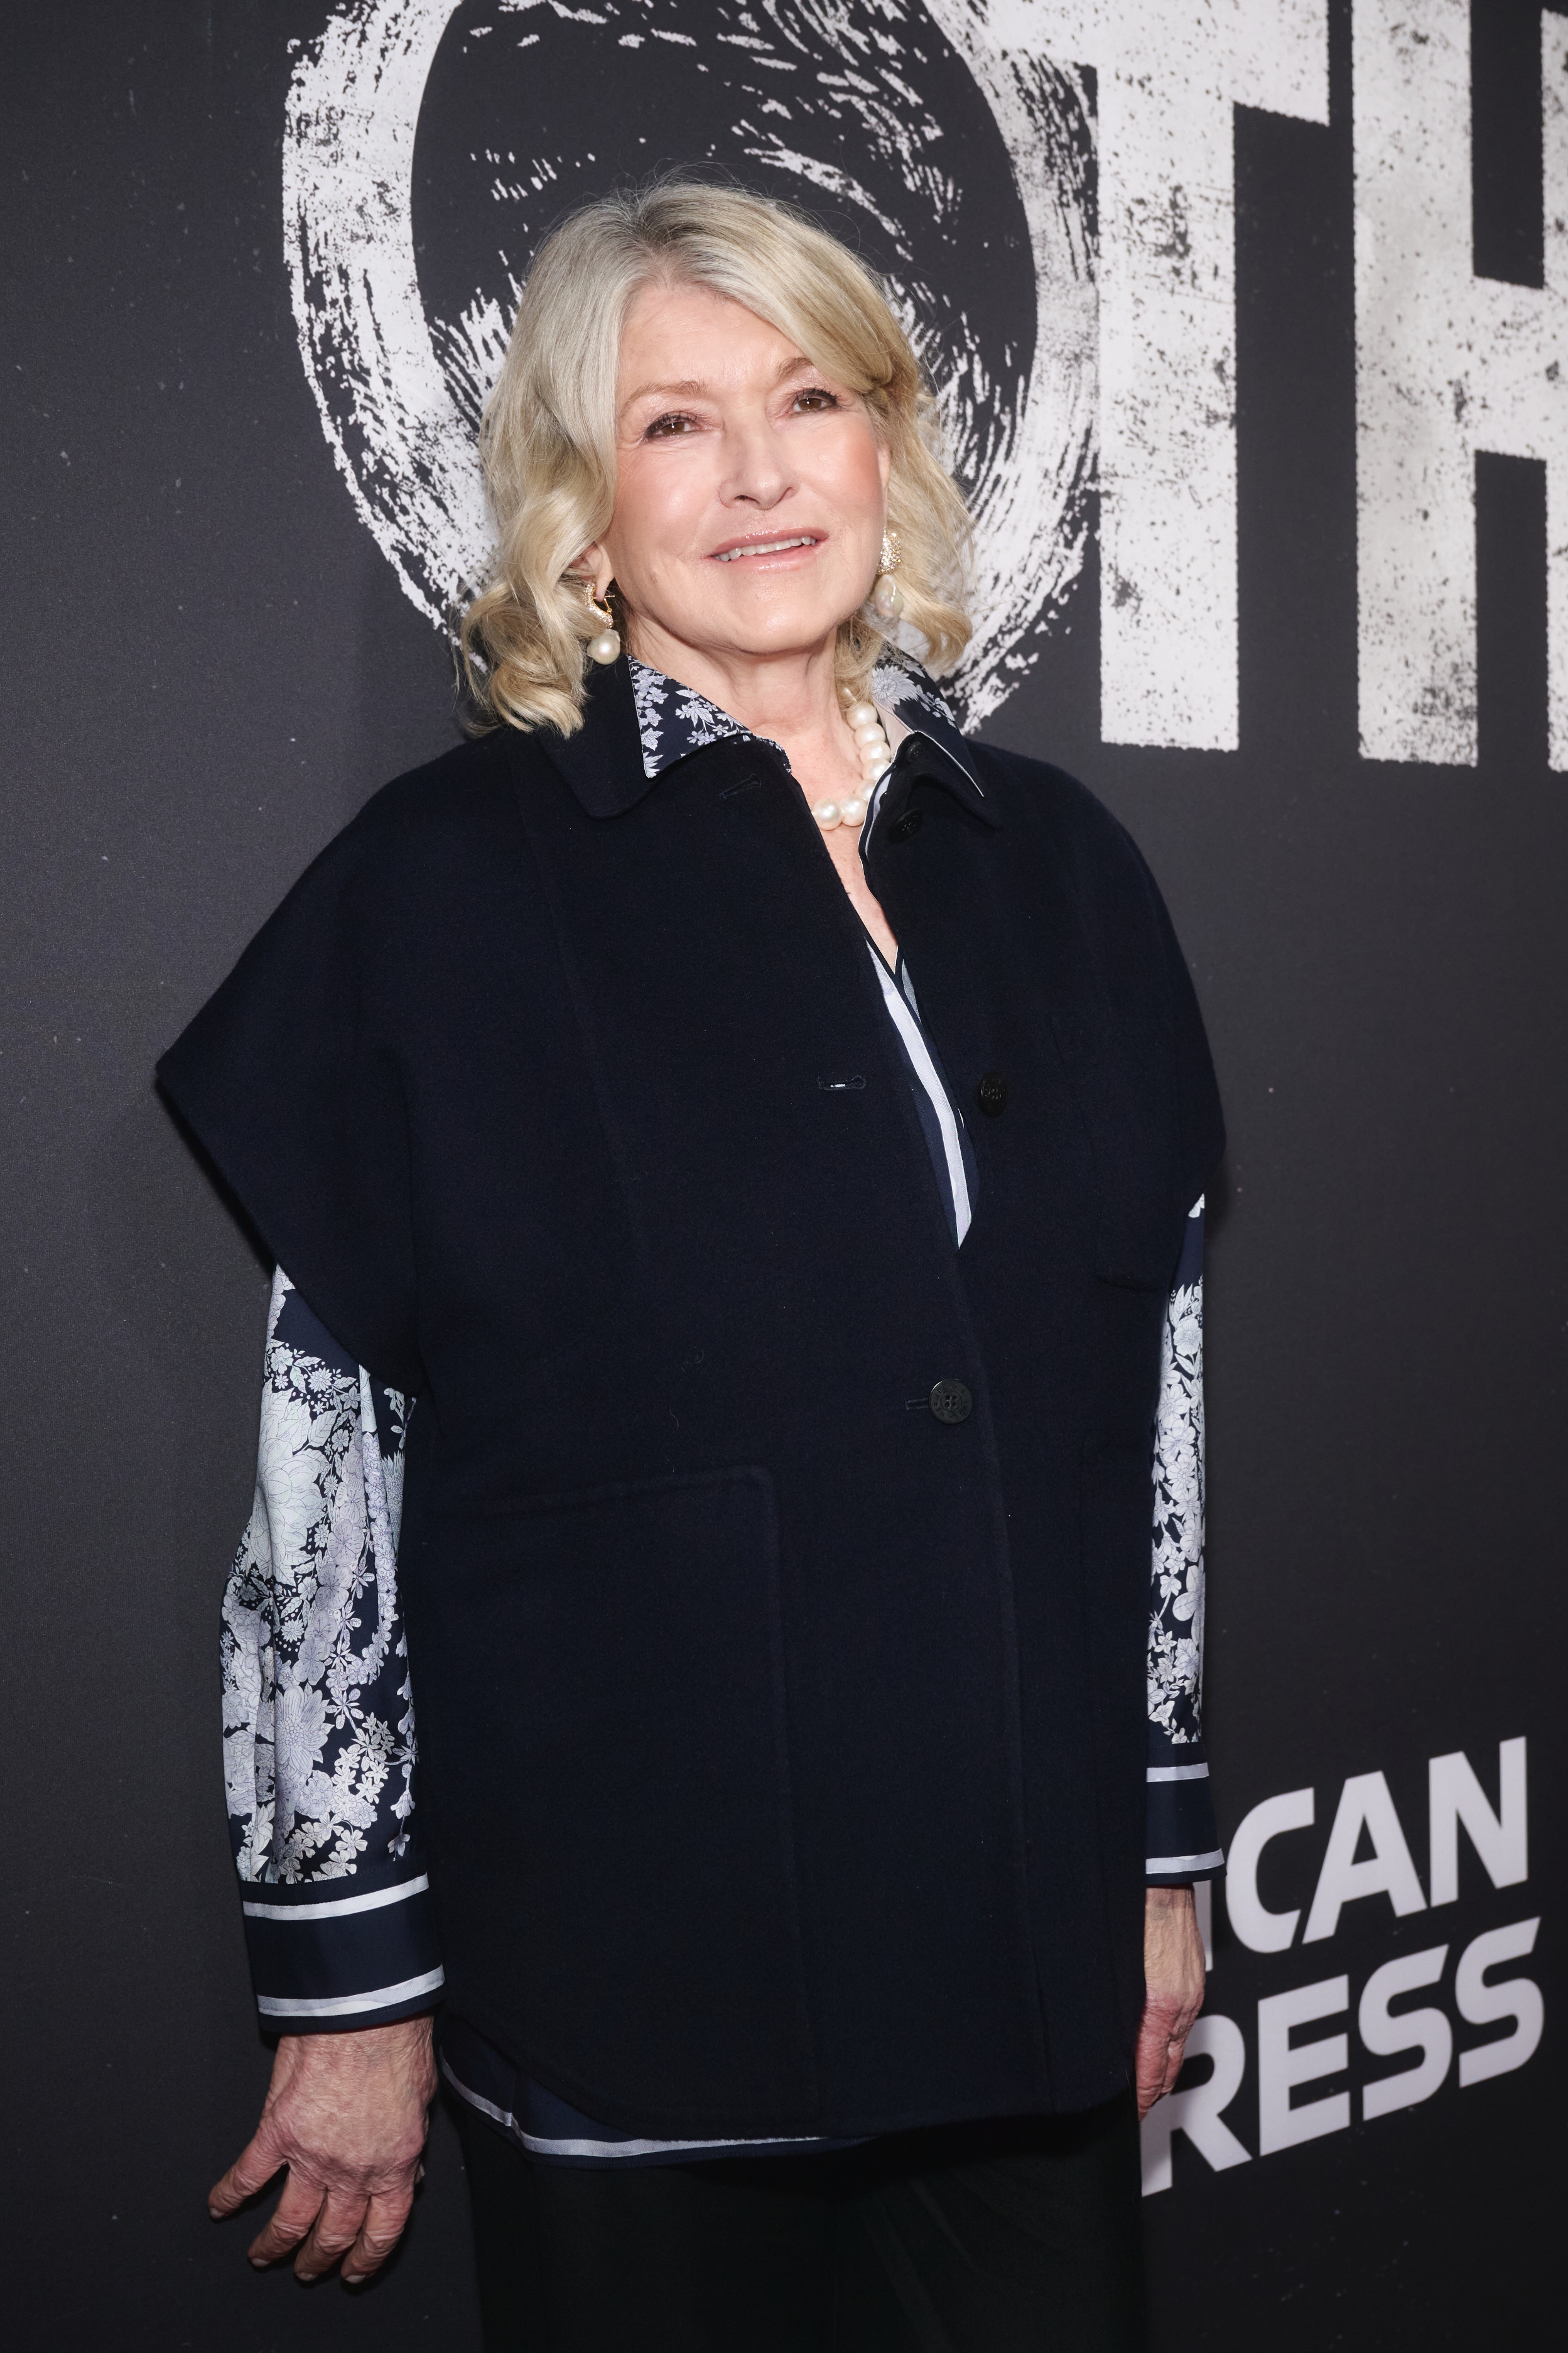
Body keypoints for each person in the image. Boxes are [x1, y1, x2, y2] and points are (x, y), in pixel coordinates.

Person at [159, 180, 1225, 2351]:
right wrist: (350, 1971)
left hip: (1016, 1971)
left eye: (808, 397)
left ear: (885, 445)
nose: (756, 472)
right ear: (577, 500)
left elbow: (1157, 1406)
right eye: (672, 423)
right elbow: (324, 1469)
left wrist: (1157, 1855)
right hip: (646, 1999)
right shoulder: (442, 892)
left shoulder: (1066, 870)